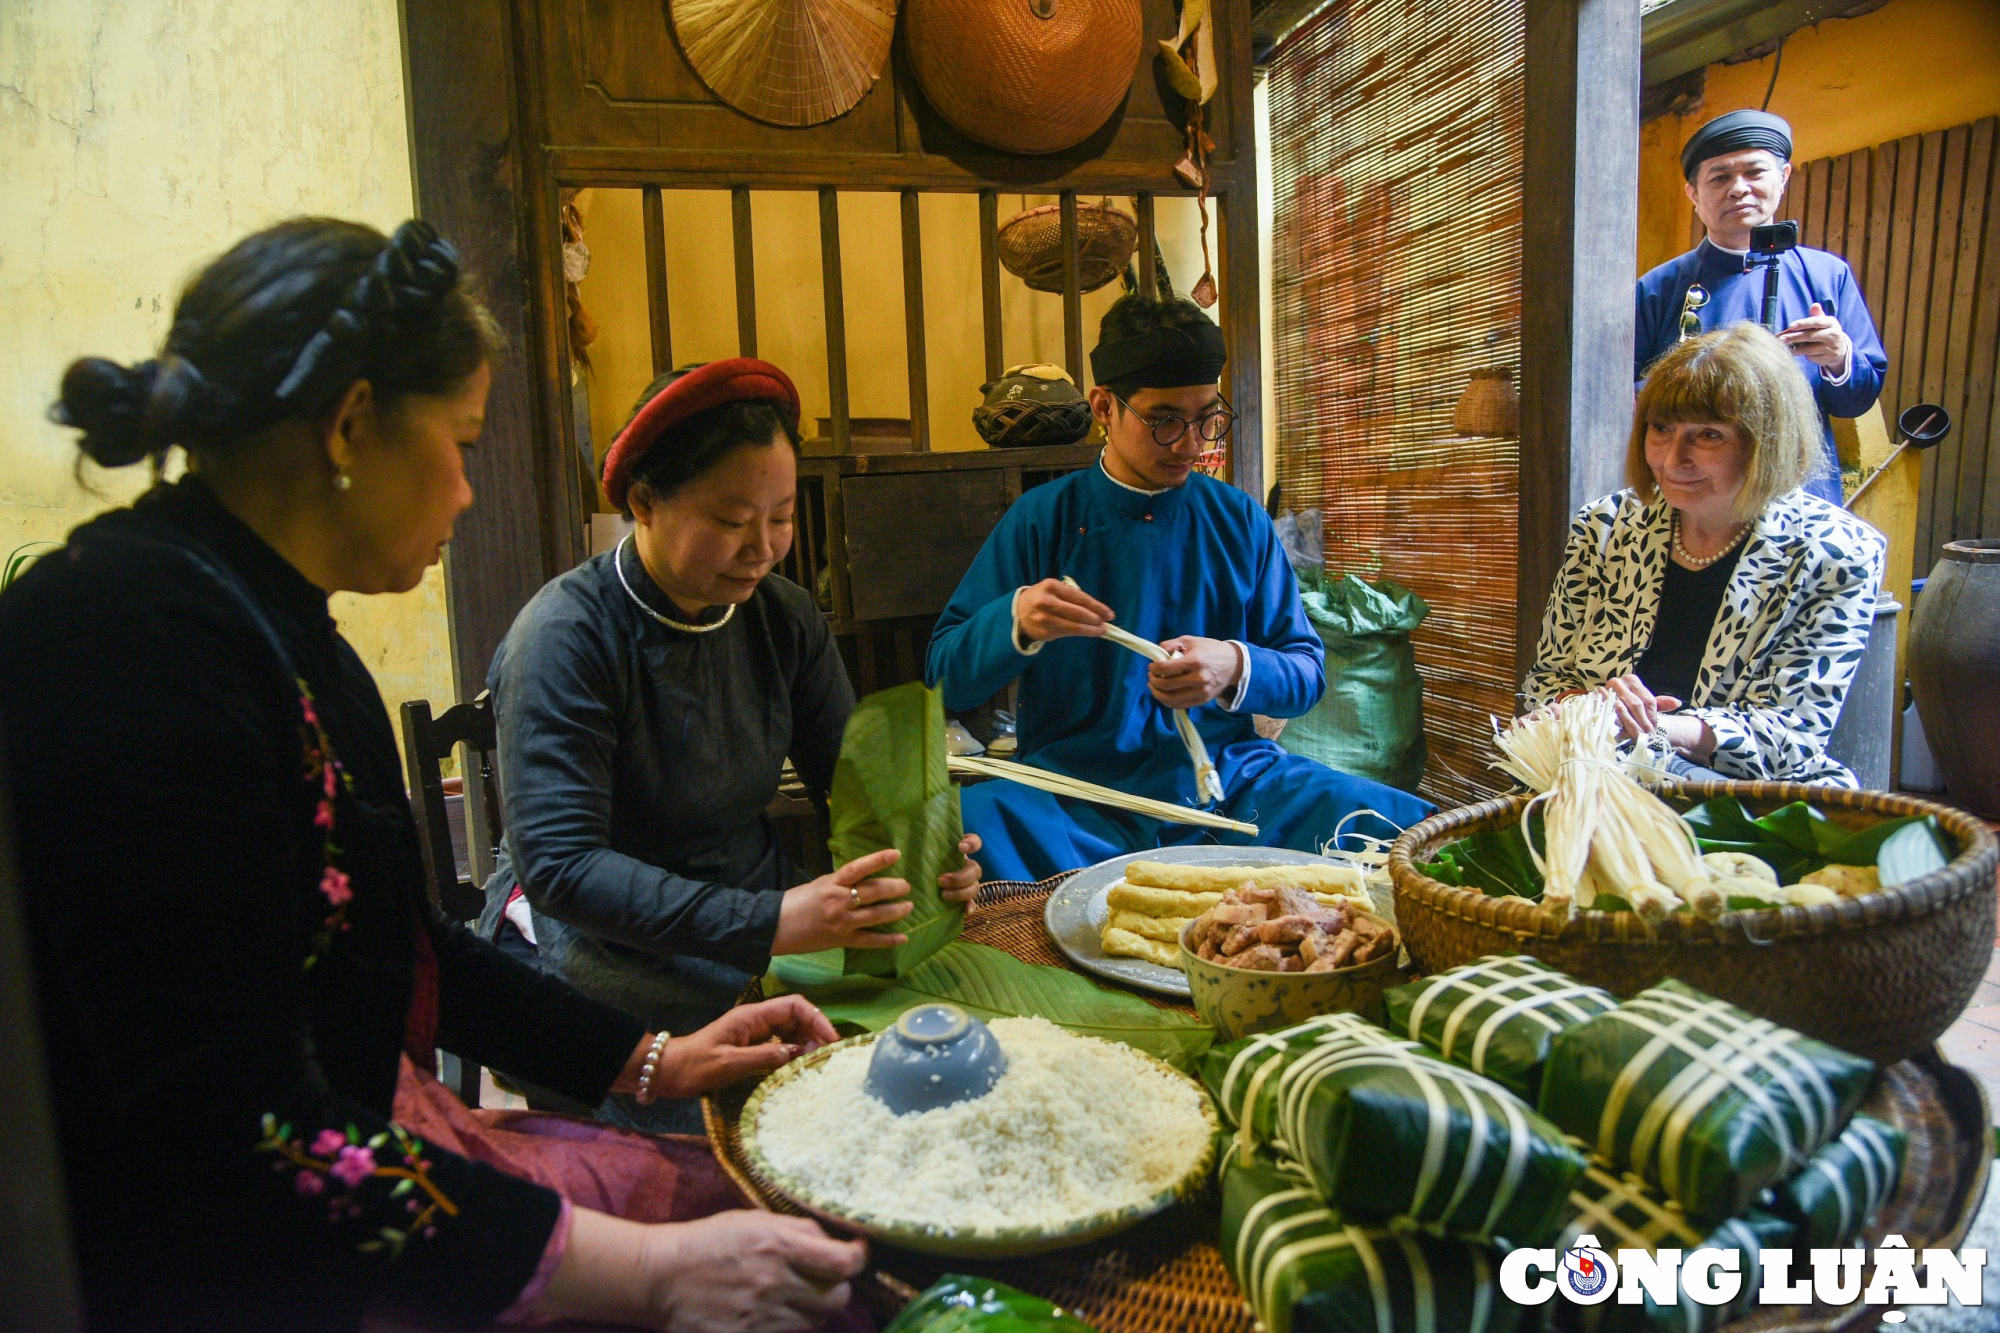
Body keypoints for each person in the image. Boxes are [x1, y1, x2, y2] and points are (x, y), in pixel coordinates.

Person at [0, 218, 872, 1332]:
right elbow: (237, 1128)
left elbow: (407, 948)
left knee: (794, 1229)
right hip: (191, 1252)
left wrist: (650, 1058)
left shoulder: (273, 626)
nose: (467, 492)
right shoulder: (124, 651)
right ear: (351, 424)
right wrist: (648, 1275)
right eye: (460, 442)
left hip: (326, 1142)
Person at [477, 358, 983, 1131]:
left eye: (781, 516)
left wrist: (927, 853)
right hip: (603, 946)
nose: (765, 547)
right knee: (787, 1124)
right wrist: (774, 919)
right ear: (643, 503)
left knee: (950, 1057)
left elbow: (853, 781)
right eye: (731, 520)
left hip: (750, 923)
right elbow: (562, 867)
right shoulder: (564, 637)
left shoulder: (783, 618)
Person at [925, 295, 1433, 883]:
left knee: (1405, 829)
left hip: (1231, 787)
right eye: (1164, 420)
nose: (1192, 444)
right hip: (1076, 799)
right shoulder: (1044, 520)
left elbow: (1306, 675)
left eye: (1207, 418)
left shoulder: (1238, 520)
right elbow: (943, 675)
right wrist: (1015, 620)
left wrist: (1235, 665)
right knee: (960, 836)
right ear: (1104, 408)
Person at [1522, 322, 1886, 786]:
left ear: (1768, 441)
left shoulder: (1837, 554)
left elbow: (1790, 740)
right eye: (1661, 429)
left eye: (1708, 435)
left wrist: (1654, 729)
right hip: (1595, 777)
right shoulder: (1605, 526)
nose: (1673, 460)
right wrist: (1584, 707)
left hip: (1744, 801)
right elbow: (1547, 679)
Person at [1634, 109, 1887, 506]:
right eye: (1719, 178)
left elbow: (1856, 399)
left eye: (1754, 172)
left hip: (1801, 493)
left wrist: (1839, 360)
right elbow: (1627, 401)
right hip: (1693, 497)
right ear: (1693, 194)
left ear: (1783, 177)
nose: (1739, 189)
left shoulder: (1826, 275)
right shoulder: (1659, 288)